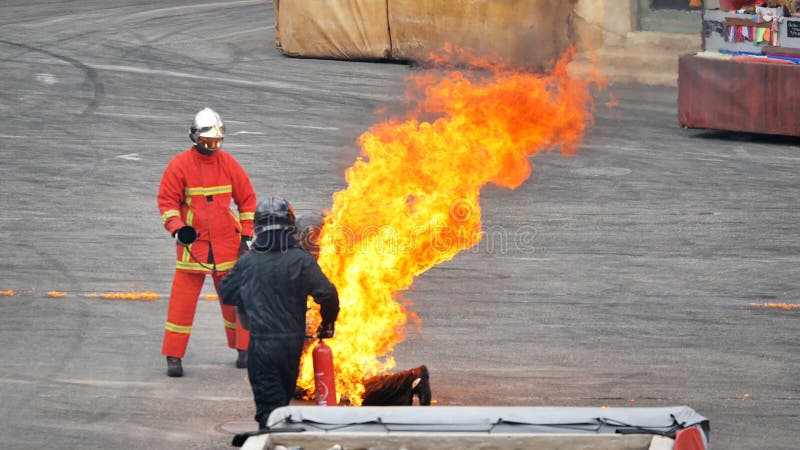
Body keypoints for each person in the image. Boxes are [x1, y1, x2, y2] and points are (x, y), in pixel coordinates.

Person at [220, 197, 339, 430]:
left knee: (269, 412)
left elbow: (227, 293)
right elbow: (328, 295)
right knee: (282, 405)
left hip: (262, 344)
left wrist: (249, 302)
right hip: (291, 346)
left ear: (258, 227)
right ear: (291, 226)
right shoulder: (301, 260)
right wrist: (327, 324)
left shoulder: (249, 261)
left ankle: (270, 437)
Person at [157, 107, 256, 377]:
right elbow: (167, 203)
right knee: (181, 306)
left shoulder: (228, 164)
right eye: (207, 142)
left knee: (237, 301)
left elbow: (247, 199)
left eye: (216, 142)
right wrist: (178, 228)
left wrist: (247, 234)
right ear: (195, 139)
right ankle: (173, 357)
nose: (212, 147)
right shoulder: (179, 165)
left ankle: (244, 350)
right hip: (194, 248)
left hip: (228, 246)